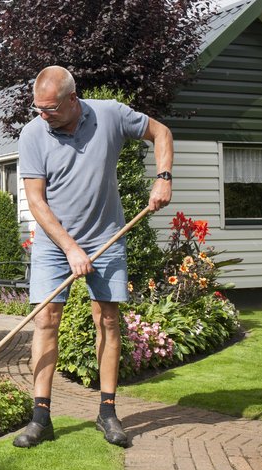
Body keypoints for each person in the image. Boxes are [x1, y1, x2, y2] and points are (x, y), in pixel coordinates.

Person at [15, 66, 173, 448]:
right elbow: (36, 201)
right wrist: (70, 248)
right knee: (46, 320)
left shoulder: (111, 114)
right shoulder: (33, 133)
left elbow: (161, 132)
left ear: (73, 99)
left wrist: (163, 177)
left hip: (107, 236)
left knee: (108, 320)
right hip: (55, 244)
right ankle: (41, 418)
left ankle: (107, 412)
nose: (43, 115)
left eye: (50, 108)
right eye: (38, 108)